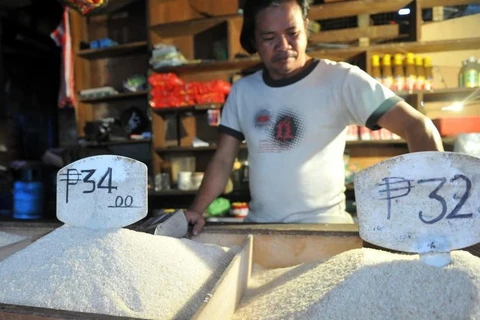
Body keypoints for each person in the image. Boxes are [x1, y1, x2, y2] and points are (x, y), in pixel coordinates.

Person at [184, 0, 444, 235]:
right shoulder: (243, 91)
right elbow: (222, 160)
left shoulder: (341, 80)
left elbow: (417, 126)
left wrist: (433, 197)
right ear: (253, 39)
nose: (283, 46)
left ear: (306, 27)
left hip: (326, 230)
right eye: (269, 37)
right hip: (262, 229)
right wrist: (196, 210)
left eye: (292, 33)